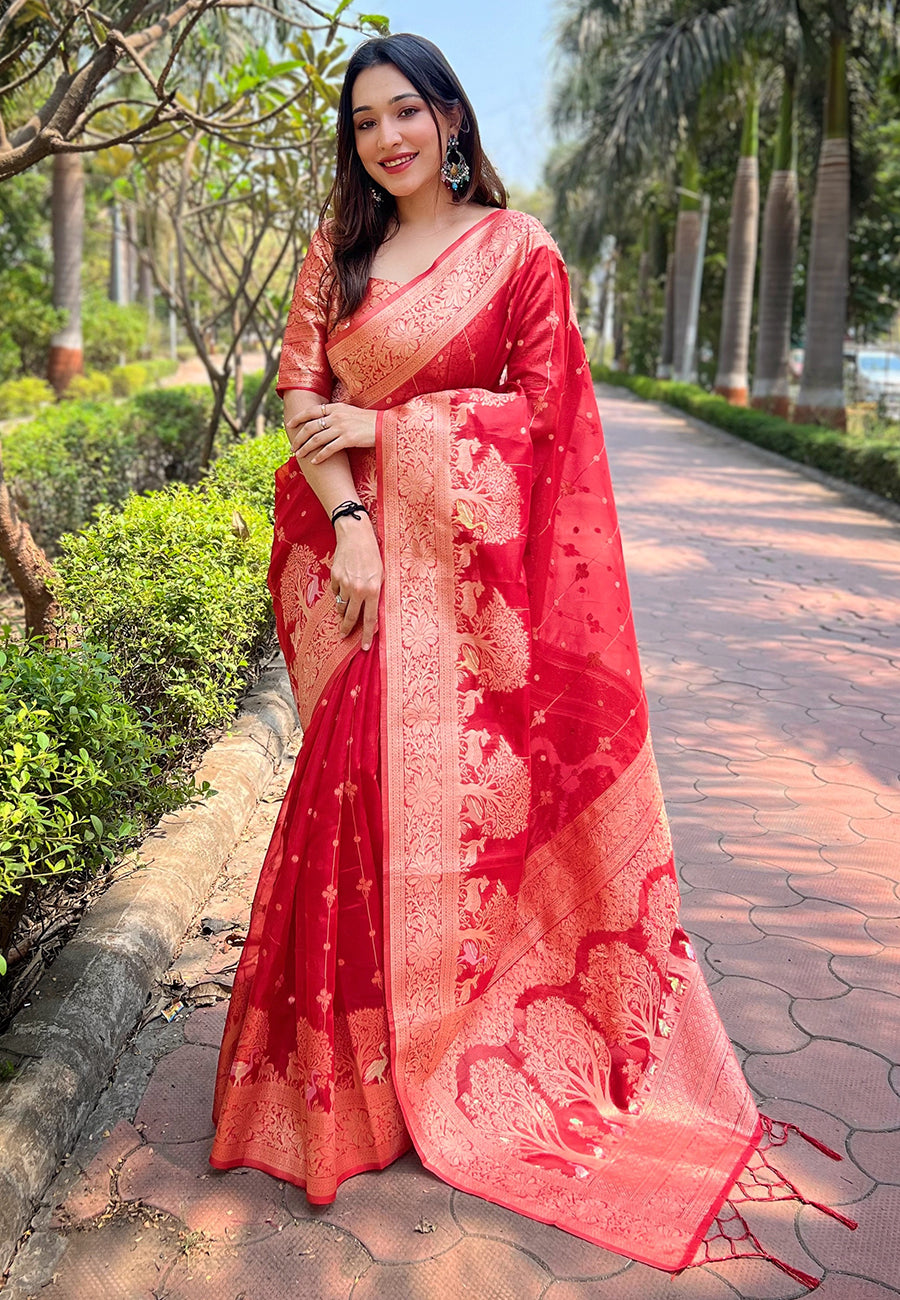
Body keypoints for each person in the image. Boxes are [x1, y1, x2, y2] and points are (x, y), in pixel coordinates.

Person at [210, 33, 851, 1286]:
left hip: (468, 603)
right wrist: (353, 522)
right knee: (350, 811)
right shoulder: (338, 255)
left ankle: (454, 1059)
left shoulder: (519, 252)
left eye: (407, 112)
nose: (387, 138)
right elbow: (300, 398)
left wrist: (390, 428)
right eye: (364, 122)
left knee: (456, 833)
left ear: (451, 118)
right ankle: (352, 1088)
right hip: (366, 579)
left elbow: (550, 419)